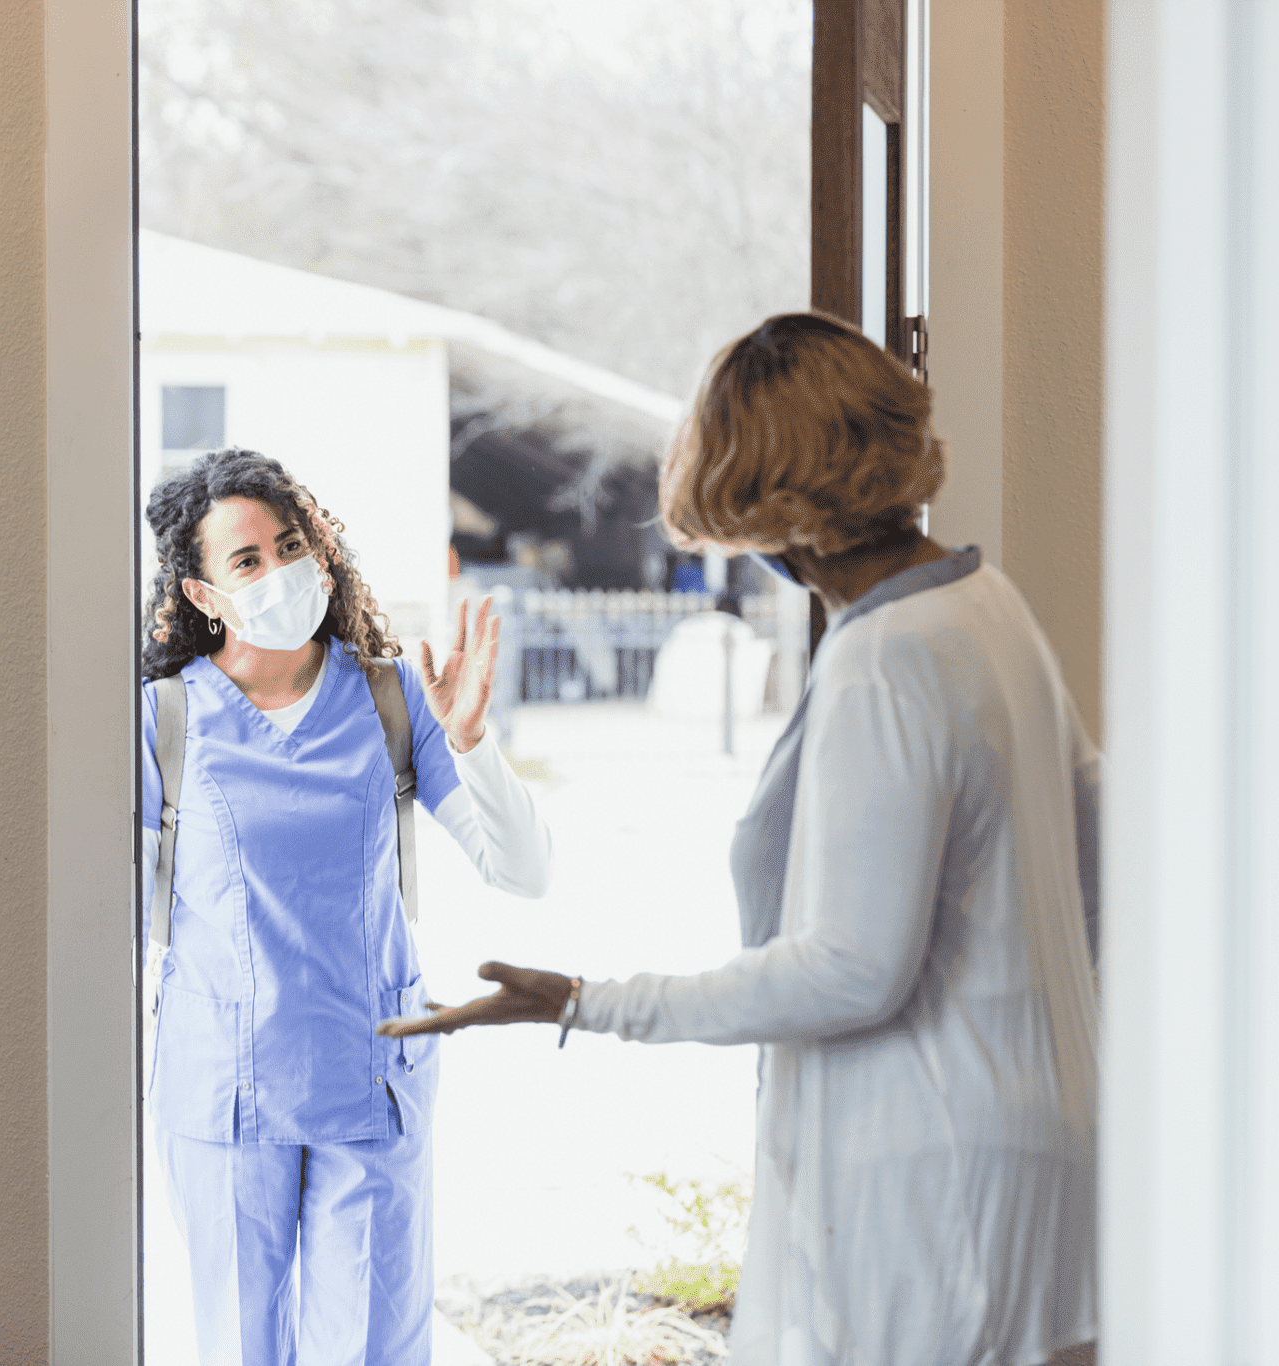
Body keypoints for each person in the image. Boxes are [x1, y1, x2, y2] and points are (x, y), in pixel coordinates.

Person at [383, 313, 1101, 1366]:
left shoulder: (883, 659)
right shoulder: (987, 607)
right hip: (1034, 1156)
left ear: (770, 502)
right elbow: (1096, 874)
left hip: (929, 1180)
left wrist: (582, 1000)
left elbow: (852, 972)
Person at [142, 447, 552, 1366]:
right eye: (247, 561)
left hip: (370, 1085)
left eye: (291, 545)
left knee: (367, 1349)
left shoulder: (395, 699)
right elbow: (119, 917)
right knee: (241, 1348)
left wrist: (473, 743)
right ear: (204, 595)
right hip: (222, 1091)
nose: (281, 572)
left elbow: (524, 872)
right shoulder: (164, 722)